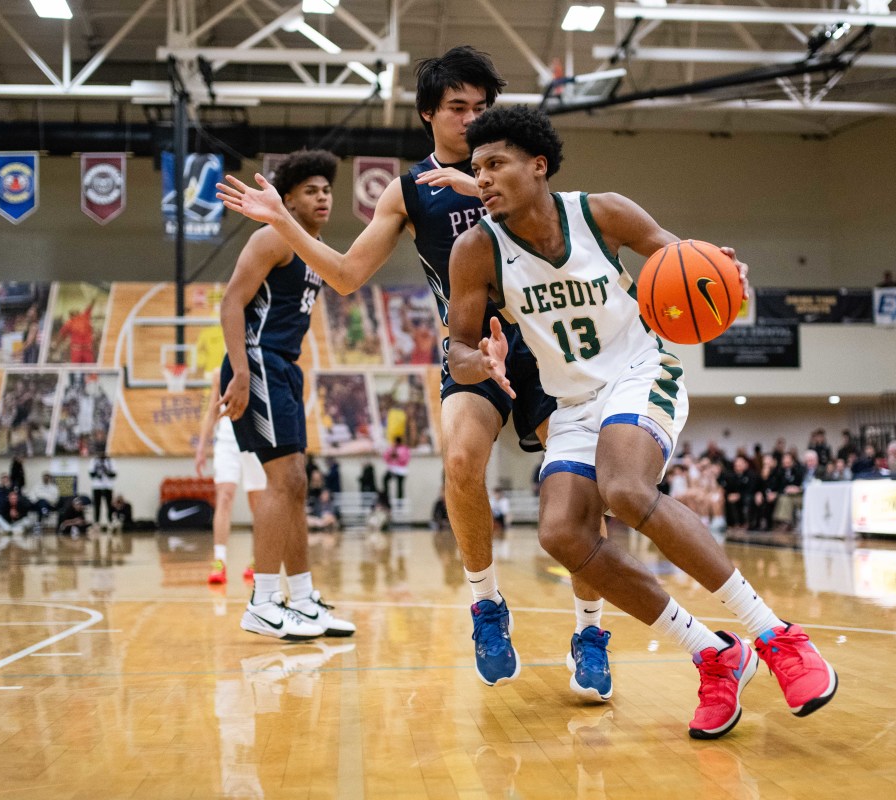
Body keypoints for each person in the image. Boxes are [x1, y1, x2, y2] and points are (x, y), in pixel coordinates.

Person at [217, 47, 607, 694]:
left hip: (546, 345)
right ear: (429, 113)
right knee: (459, 461)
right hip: (468, 350)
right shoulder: (408, 190)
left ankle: (591, 631)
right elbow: (343, 275)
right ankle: (486, 605)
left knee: (583, 490)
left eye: (482, 108)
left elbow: (567, 243)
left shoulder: (512, 168)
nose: (472, 119)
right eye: (459, 108)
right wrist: (282, 219)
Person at [447, 105, 836, 737]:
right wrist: (478, 361)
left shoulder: (602, 214)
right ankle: (715, 654)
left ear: (538, 165)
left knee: (625, 489)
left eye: (495, 164)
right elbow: (456, 345)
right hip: (570, 403)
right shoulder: (476, 250)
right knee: (561, 535)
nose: (482, 178)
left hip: (638, 373)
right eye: (476, 168)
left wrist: (726, 274)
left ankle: (775, 635)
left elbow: (686, 261)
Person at [217, 149, 354, 641]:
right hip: (254, 361)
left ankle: (302, 598)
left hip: (284, 368)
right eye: (310, 191)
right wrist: (237, 371)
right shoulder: (273, 237)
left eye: (326, 190)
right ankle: (263, 600)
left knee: (296, 482)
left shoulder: (313, 247)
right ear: (288, 199)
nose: (322, 198)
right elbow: (231, 302)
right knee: (281, 482)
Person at [195, 364, 266, 585]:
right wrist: (201, 448)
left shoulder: (259, 366)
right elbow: (212, 412)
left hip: (254, 436)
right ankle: (219, 561)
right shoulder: (219, 372)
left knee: (258, 503)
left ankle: (258, 559)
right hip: (227, 438)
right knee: (224, 496)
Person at [88, 452, 116, 529]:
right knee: (97, 505)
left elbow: (114, 475)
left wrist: (106, 471)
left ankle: (110, 522)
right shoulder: (93, 461)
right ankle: (97, 523)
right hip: (97, 486)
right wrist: (98, 472)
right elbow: (91, 474)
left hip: (108, 486)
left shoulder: (111, 461)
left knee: (109, 505)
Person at [381, 436, 410, 500]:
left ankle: (399, 500)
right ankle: (386, 495)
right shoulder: (391, 449)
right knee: (385, 479)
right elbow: (385, 457)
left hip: (400, 470)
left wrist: (397, 456)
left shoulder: (404, 449)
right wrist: (391, 454)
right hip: (392, 469)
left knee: (399, 486)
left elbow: (405, 460)